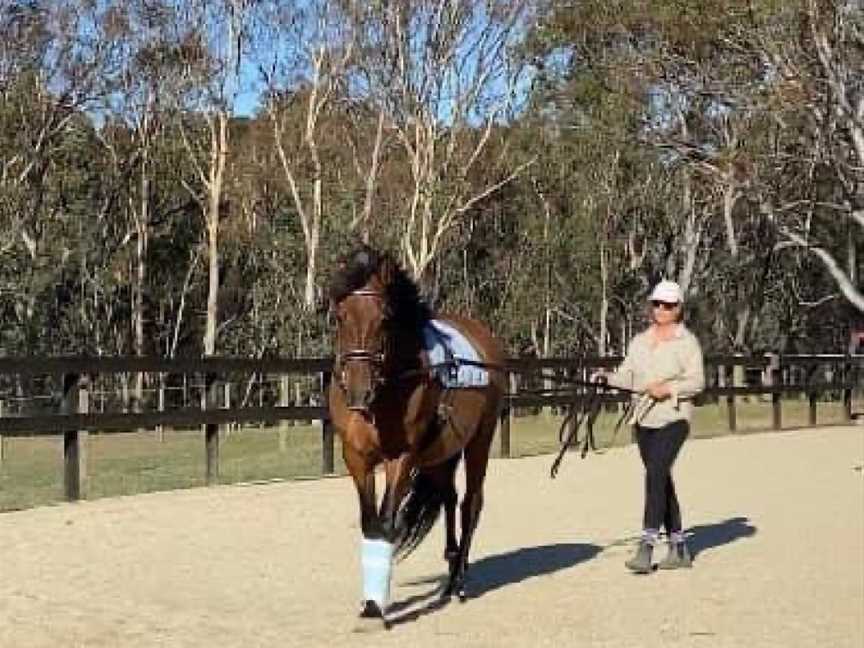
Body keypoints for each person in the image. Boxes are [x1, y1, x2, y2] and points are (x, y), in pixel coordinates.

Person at [596, 279, 705, 574]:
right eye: (657, 304)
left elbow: (697, 382)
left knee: (655, 473)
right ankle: (679, 547)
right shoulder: (640, 342)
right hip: (643, 420)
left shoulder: (687, 343)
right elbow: (628, 376)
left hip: (674, 417)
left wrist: (668, 388)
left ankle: (646, 545)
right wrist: (607, 377)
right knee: (661, 479)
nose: (661, 310)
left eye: (668, 305)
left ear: (678, 308)